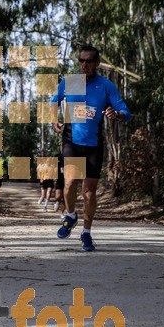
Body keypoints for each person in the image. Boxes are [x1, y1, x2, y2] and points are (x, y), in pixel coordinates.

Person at [50, 44, 131, 251]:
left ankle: (86, 233)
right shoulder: (71, 82)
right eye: (81, 61)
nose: (84, 64)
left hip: (94, 144)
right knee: (69, 184)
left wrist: (117, 114)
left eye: (88, 61)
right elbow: (53, 101)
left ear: (97, 63)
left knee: (89, 191)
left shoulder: (105, 86)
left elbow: (124, 110)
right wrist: (54, 120)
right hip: (71, 140)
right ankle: (70, 215)